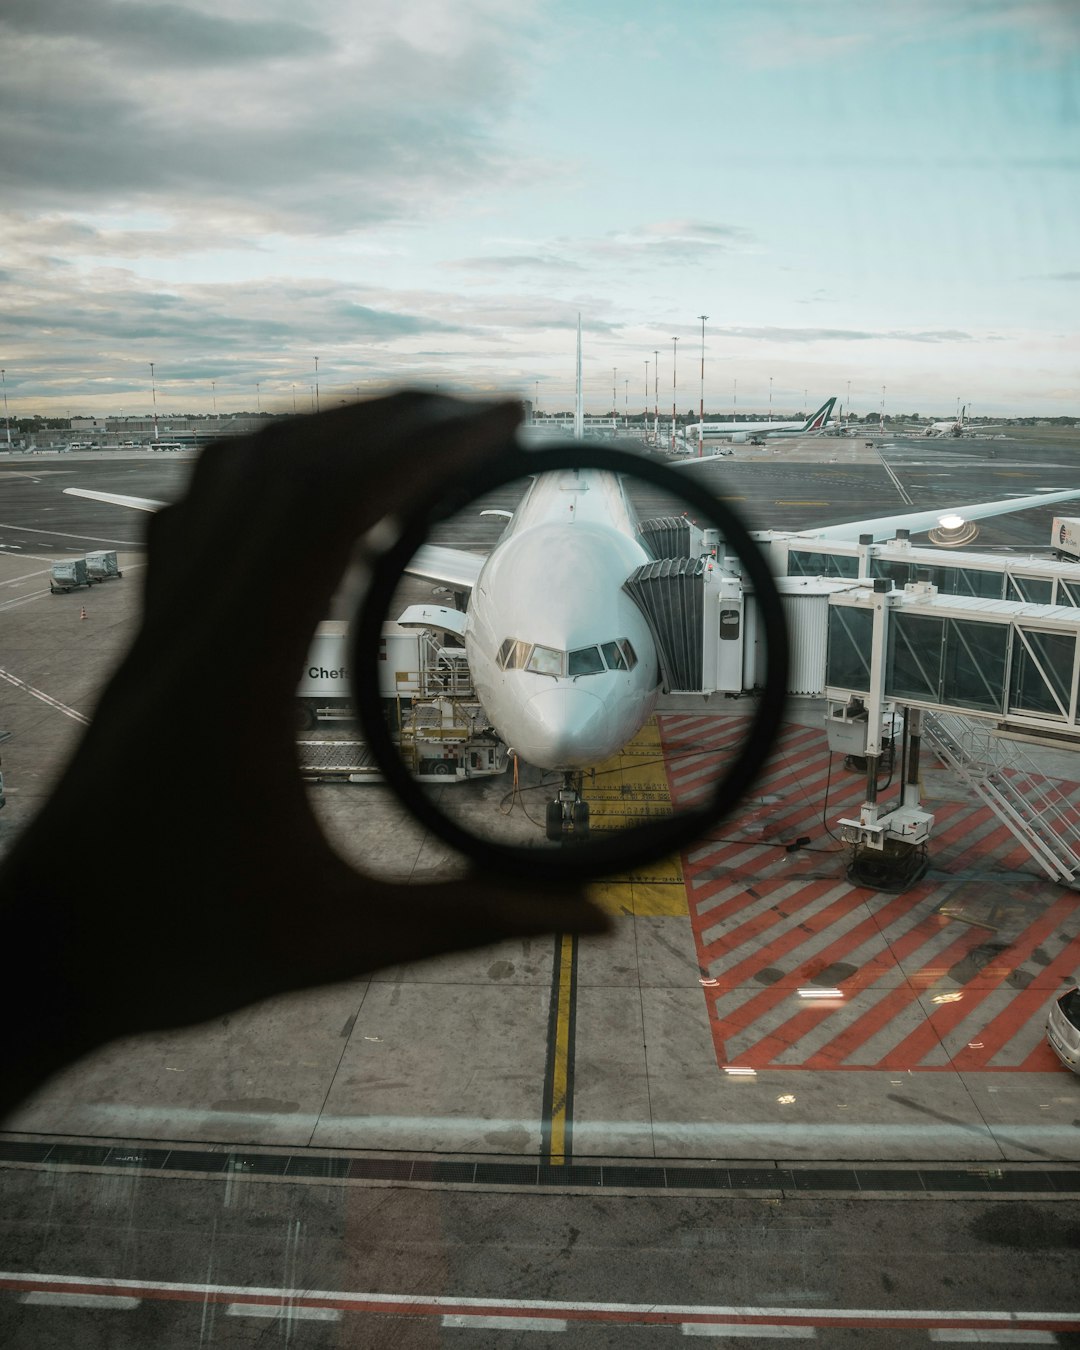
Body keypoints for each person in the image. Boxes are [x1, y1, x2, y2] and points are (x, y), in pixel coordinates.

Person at [0, 393, 608, 1119]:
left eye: (604, 661)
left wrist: (50, 951)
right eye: (523, 659)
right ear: (479, 624)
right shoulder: (500, 587)